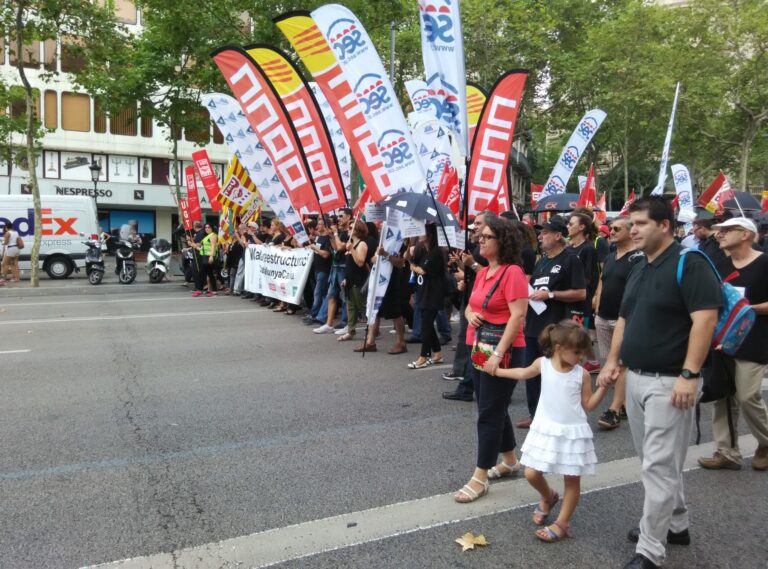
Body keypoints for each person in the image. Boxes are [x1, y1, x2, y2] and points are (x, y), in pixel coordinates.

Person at [597, 196, 722, 569]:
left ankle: (651, 549)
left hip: (671, 383)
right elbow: (624, 319)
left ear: (664, 225)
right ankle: (677, 524)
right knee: (655, 460)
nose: (631, 230)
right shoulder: (640, 265)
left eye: (640, 224)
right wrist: (612, 362)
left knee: (658, 465)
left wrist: (689, 374)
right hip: (636, 377)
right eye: (630, 224)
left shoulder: (690, 262)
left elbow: (705, 320)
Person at [493, 320, 607, 541]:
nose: (581, 358)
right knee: (531, 472)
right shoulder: (542, 364)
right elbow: (522, 373)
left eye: (583, 352)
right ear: (558, 349)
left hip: (572, 433)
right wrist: (497, 371)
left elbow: (589, 405)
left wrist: (603, 387)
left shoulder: (581, 374)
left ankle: (562, 523)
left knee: (572, 481)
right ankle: (548, 496)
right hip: (545, 428)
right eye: (577, 352)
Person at [453, 214, 528, 503]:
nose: (479, 240)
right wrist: (470, 314)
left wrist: (498, 354)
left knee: (488, 413)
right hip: (481, 346)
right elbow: (474, 306)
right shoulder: (485, 271)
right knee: (492, 406)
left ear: (502, 240)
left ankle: (480, 477)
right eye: (479, 236)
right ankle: (509, 460)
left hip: (503, 349)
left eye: (485, 237)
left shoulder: (513, 273)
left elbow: (518, 316)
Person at [698, 217, 768, 471]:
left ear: (746, 234)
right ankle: (726, 451)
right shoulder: (719, 263)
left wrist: (749, 309)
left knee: (748, 395)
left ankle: (766, 442)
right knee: (721, 395)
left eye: (727, 230)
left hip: (754, 337)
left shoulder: (764, 262)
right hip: (721, 338)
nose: (720, 235)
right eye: (719, 231)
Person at [519, 216, 587, 429]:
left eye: (545, 233)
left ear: (558, 235)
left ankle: (558, 415)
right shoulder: (542, 260)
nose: (540, 237)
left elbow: (581, 293)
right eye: (540, 233)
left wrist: (550, 295)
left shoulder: (570, 259)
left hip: (556, 327)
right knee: (534, 373)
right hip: (533, 325)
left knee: (557, 373)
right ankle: (535, 414)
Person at [592, 216, 643, 430]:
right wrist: (597, 297)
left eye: (616, 229)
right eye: (610, 229)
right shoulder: (611, 255)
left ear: (631, 231)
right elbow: (603, 279)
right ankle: (622, 401)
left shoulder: (638, 258)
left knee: (621, 364)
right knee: (608, 362)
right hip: (603, 316)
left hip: (624, 319)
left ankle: (615, 408)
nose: (610, 232)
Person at [442, 212, 489, 402]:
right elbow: (474, 272)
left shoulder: (494, 250)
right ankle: (469, 385)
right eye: (474, 223)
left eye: (479, 223)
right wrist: (463, 264)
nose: (474, 227)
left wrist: (472, 264)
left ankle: (471, 387)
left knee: (479, 346)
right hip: (471, 300)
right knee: (471, 344)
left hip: (484, 305)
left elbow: (490, 274)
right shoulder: (478, 246)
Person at [407, 223, 445, 368]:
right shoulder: (422, 250)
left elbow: (424, 270)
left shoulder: (436, 252)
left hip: (433, 293)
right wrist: (409, 244)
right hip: (423, 291)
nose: (419, 235)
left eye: (422, 232)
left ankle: (423, 356)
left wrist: (414, 267)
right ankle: (437, 353)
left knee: (426, 325)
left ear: (429, 235)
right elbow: (410, 259)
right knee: (426, 324)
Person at [566, 211, 601, 372]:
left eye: (571, 224)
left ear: (581, 227)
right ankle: (593, 362)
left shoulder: (588, 249)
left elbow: (589, 277)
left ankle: (573, 367)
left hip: (580, 301)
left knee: (578, 336)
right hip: (566, 299)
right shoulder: (568, 248)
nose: (568, 226)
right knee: (574, 335)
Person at [313, 209, 351, 334]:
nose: (338, 219)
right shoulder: (339, 232)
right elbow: (335, 248)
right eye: (338, 216)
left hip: (344, 267)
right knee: (331, 295)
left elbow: (341, 247)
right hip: (336, 266)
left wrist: (334, 234)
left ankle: (348, 324)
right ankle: (329, 324)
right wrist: (331, 236)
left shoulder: (350, 233)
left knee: (345, 297)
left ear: (349, 217)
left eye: (341, 216)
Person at [337, 219, 369, 342]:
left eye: (351, 228)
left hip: (359, 279)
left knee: (361, 306)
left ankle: (372, 331)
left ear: (358, 230)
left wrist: (352, 249)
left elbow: (360, 262)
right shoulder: (350, 243)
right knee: (351, 306)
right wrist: (346, 278)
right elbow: (349, 264)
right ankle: (351, 331)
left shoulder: (361, 244)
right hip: (350, 279)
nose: (349, 230)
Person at [303, 216, 332, 325]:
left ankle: (314, 314)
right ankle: (320, 314)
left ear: (325, 226)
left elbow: (325, 254)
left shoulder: (328, 239)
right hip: (317, 268)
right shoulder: (319, 238)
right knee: (321, 293)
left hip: (324, 269)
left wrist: (315, 248)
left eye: (319, 224)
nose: (317, 226)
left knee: (318, 293)